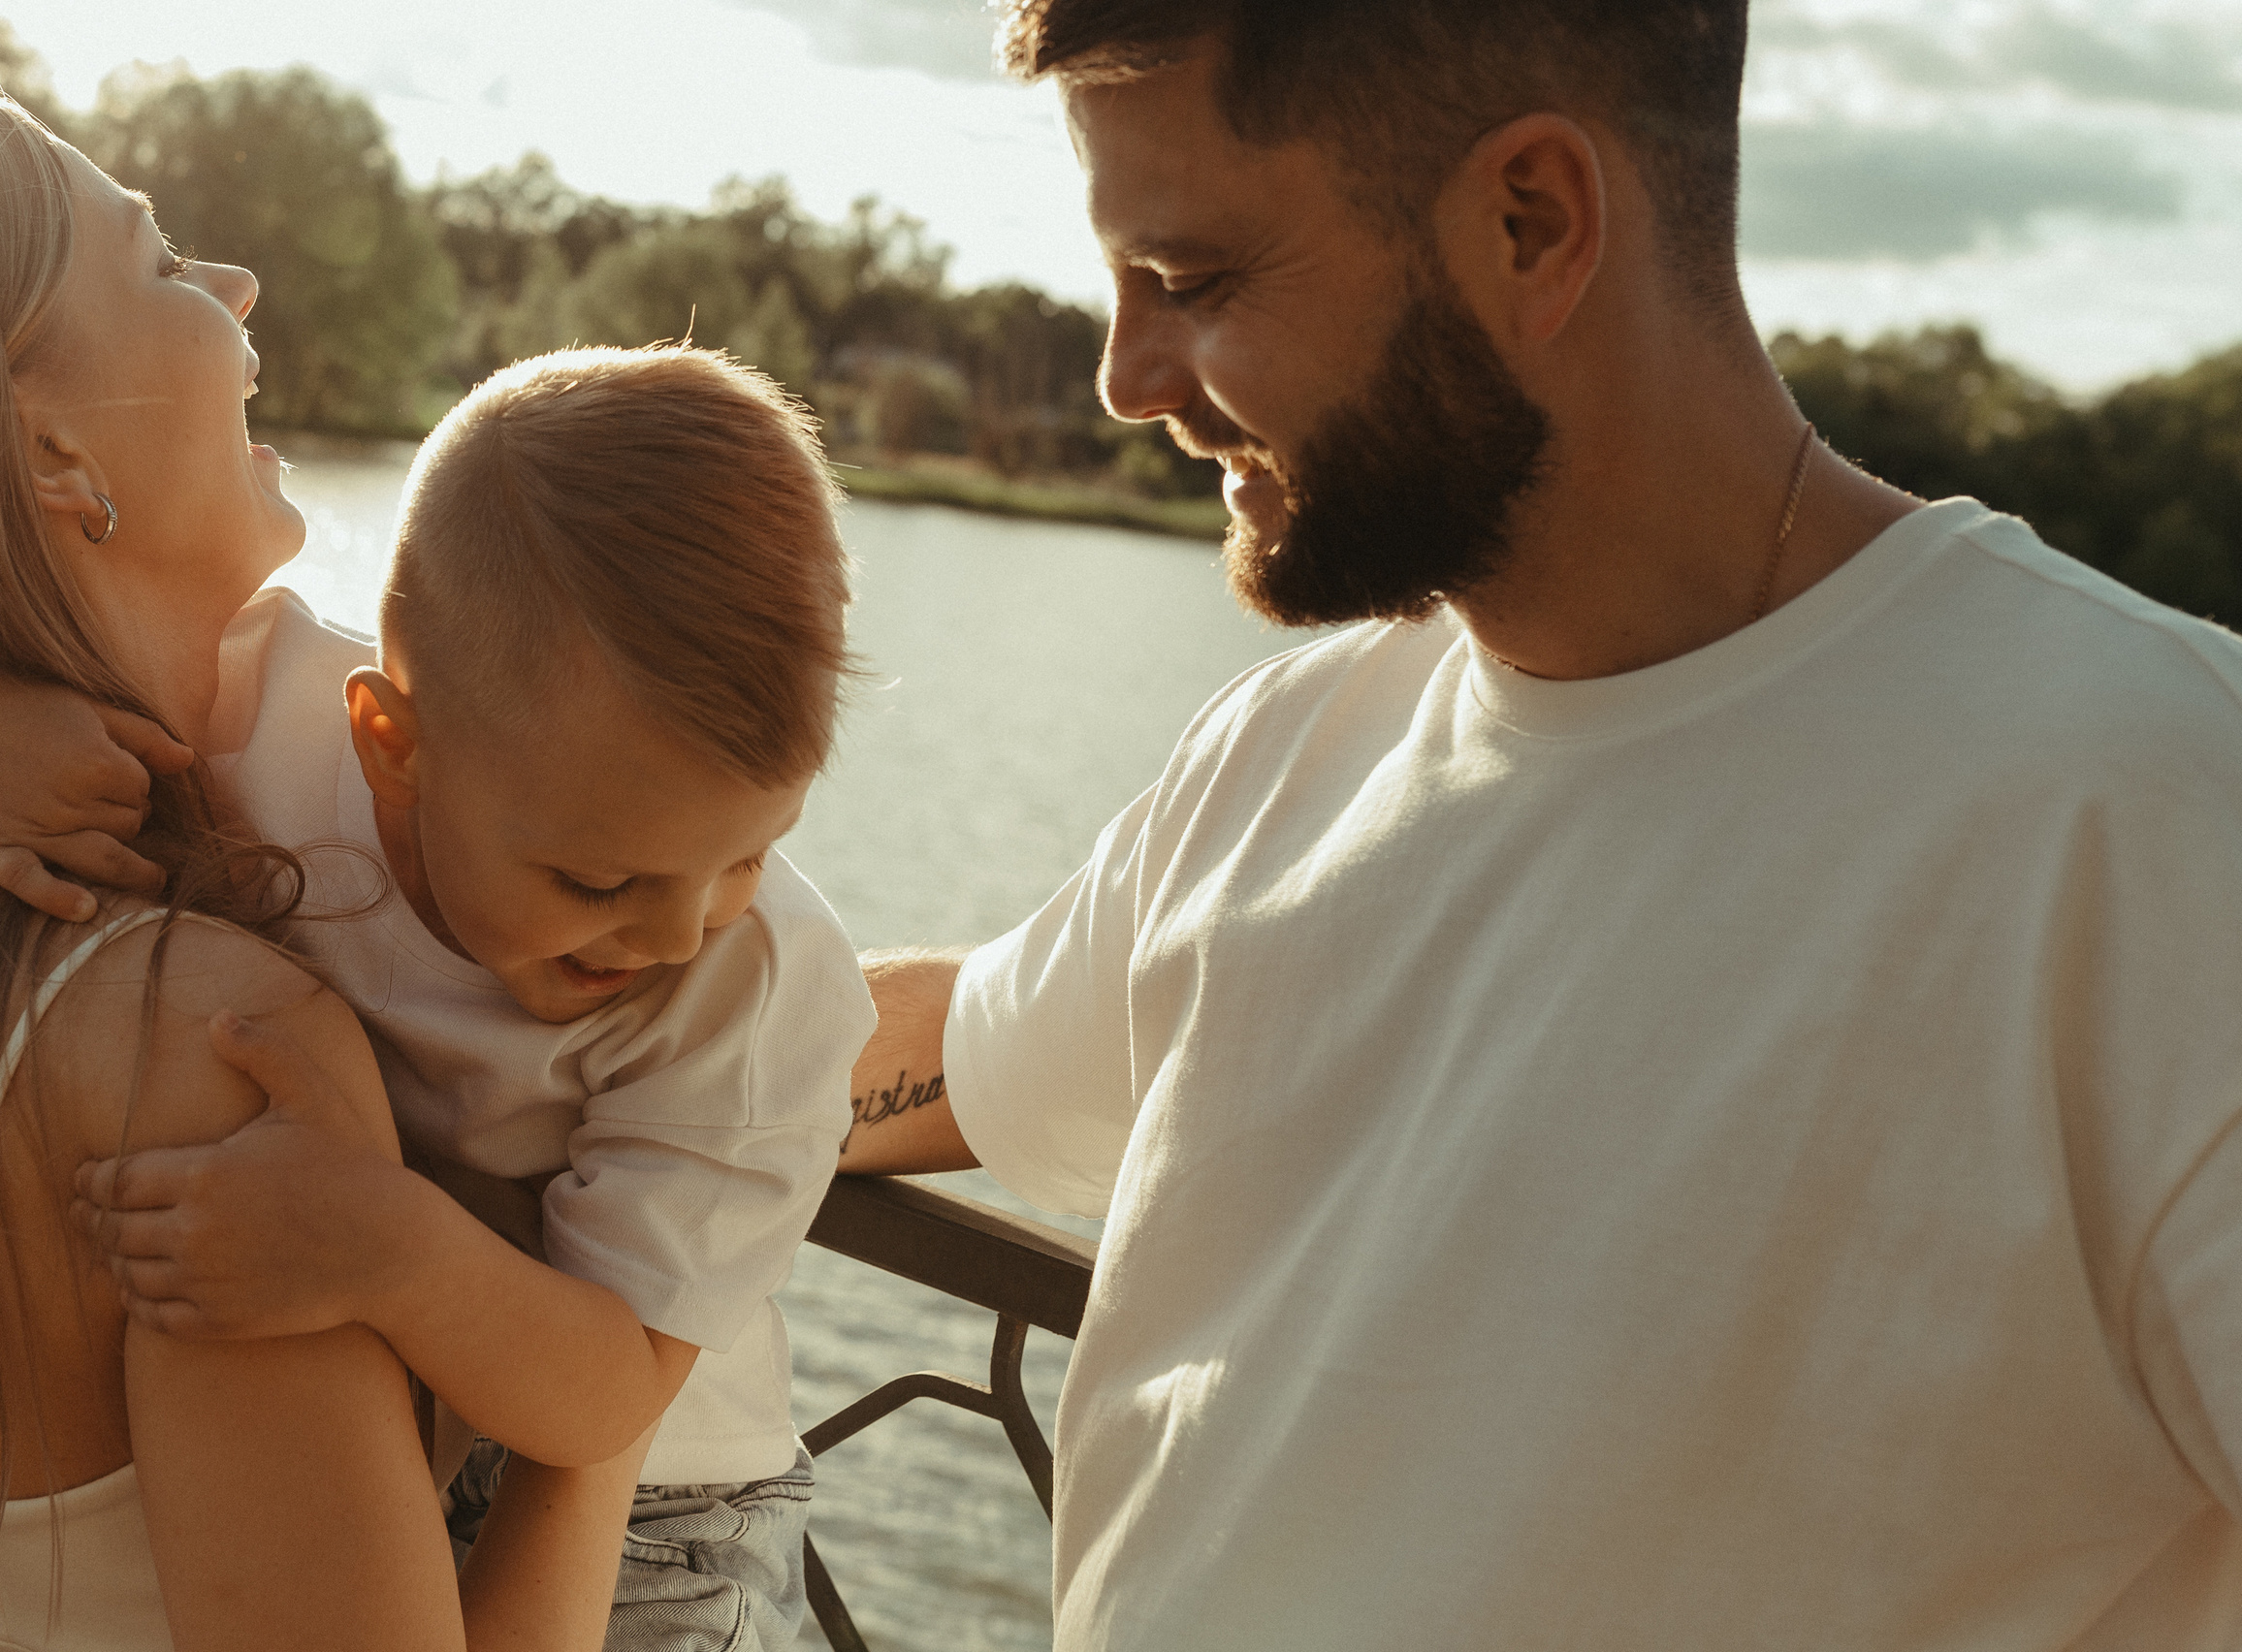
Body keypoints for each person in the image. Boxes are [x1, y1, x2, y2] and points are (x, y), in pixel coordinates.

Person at [836, 1, 2242, 1647]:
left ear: (1533, 222)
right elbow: (944, 1054)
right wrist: (503, 1009)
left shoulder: (2162, 819)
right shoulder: (1290, 751)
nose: (1126, 380)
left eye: (1194, 281)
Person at [0, 346, 879, 1650]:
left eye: (751, 852)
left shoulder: (753, 994)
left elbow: (604, 1401)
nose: (681, 927)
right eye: (599, 878)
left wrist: (387, 1246)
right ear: (389, 739)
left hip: (658, 1512)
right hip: (398, 1410)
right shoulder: (255, 703)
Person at [0, 80, 641, 1651]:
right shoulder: (209, 1051)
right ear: (52, 452)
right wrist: (616, 1407)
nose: (236, 288)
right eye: (159, 261)